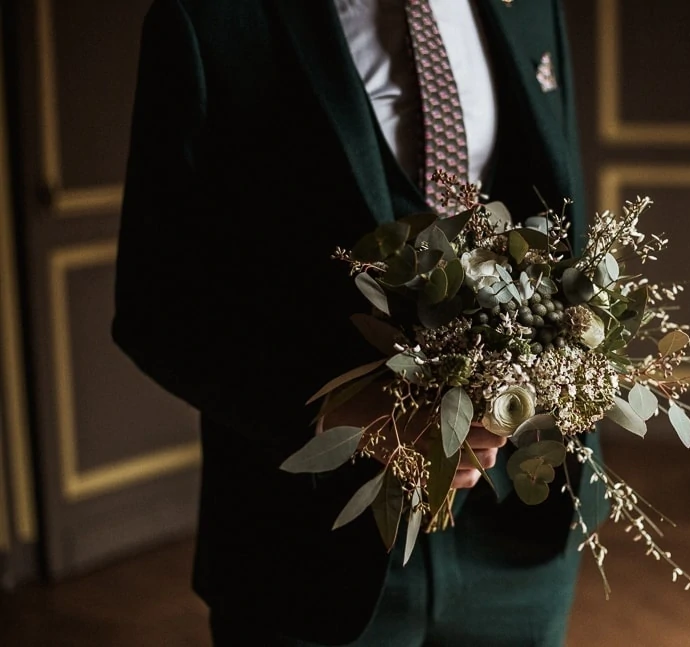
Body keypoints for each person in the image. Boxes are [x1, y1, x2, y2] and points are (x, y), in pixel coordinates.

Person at [112, 0, 607, 644]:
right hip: (309, 549)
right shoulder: (207, 18)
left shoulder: (529, 6)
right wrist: (349, 412)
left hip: (520, 532)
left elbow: (557, 216)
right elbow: (155, 305)